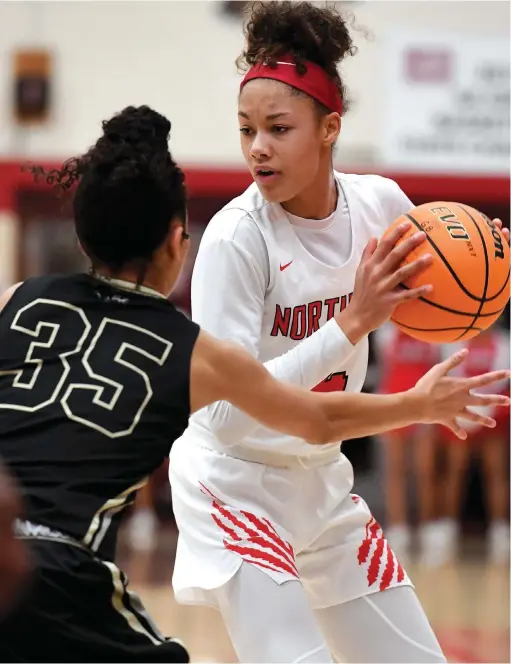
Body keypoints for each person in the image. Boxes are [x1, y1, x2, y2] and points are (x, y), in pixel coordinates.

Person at [0, 105, 505, 662]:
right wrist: (416, 403)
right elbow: (318, 419)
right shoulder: (195, 352)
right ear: (177, 243)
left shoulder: (17, 299)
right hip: (61, 570)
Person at [168, 3, 510, 662]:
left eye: (277, 128)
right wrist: (350, 322)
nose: (257, 147)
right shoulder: (236, 241)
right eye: (245, 130)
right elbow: (229, 415)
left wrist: (492, 270)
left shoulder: (379, 205)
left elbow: (456, 299)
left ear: (329, 128)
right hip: (233, 482)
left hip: (319, 481)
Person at [439, 327, 510, 565]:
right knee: (455, 471)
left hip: (494, 415)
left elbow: (503, 381)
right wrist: (469, 405)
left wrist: (487, 406)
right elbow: (450, 377)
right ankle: (447, 529)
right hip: (463, 412)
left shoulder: (503, 343)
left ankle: (500, 533)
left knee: (496, 473)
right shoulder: (455, 343)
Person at [374, 324, 442, 564]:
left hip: (425, 406)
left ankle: (428, 531)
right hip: (393, 400)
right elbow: (384, 368)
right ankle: (398, 531)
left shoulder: (435, 330)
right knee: (395, 470)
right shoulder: (386, 332)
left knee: (425, 470)